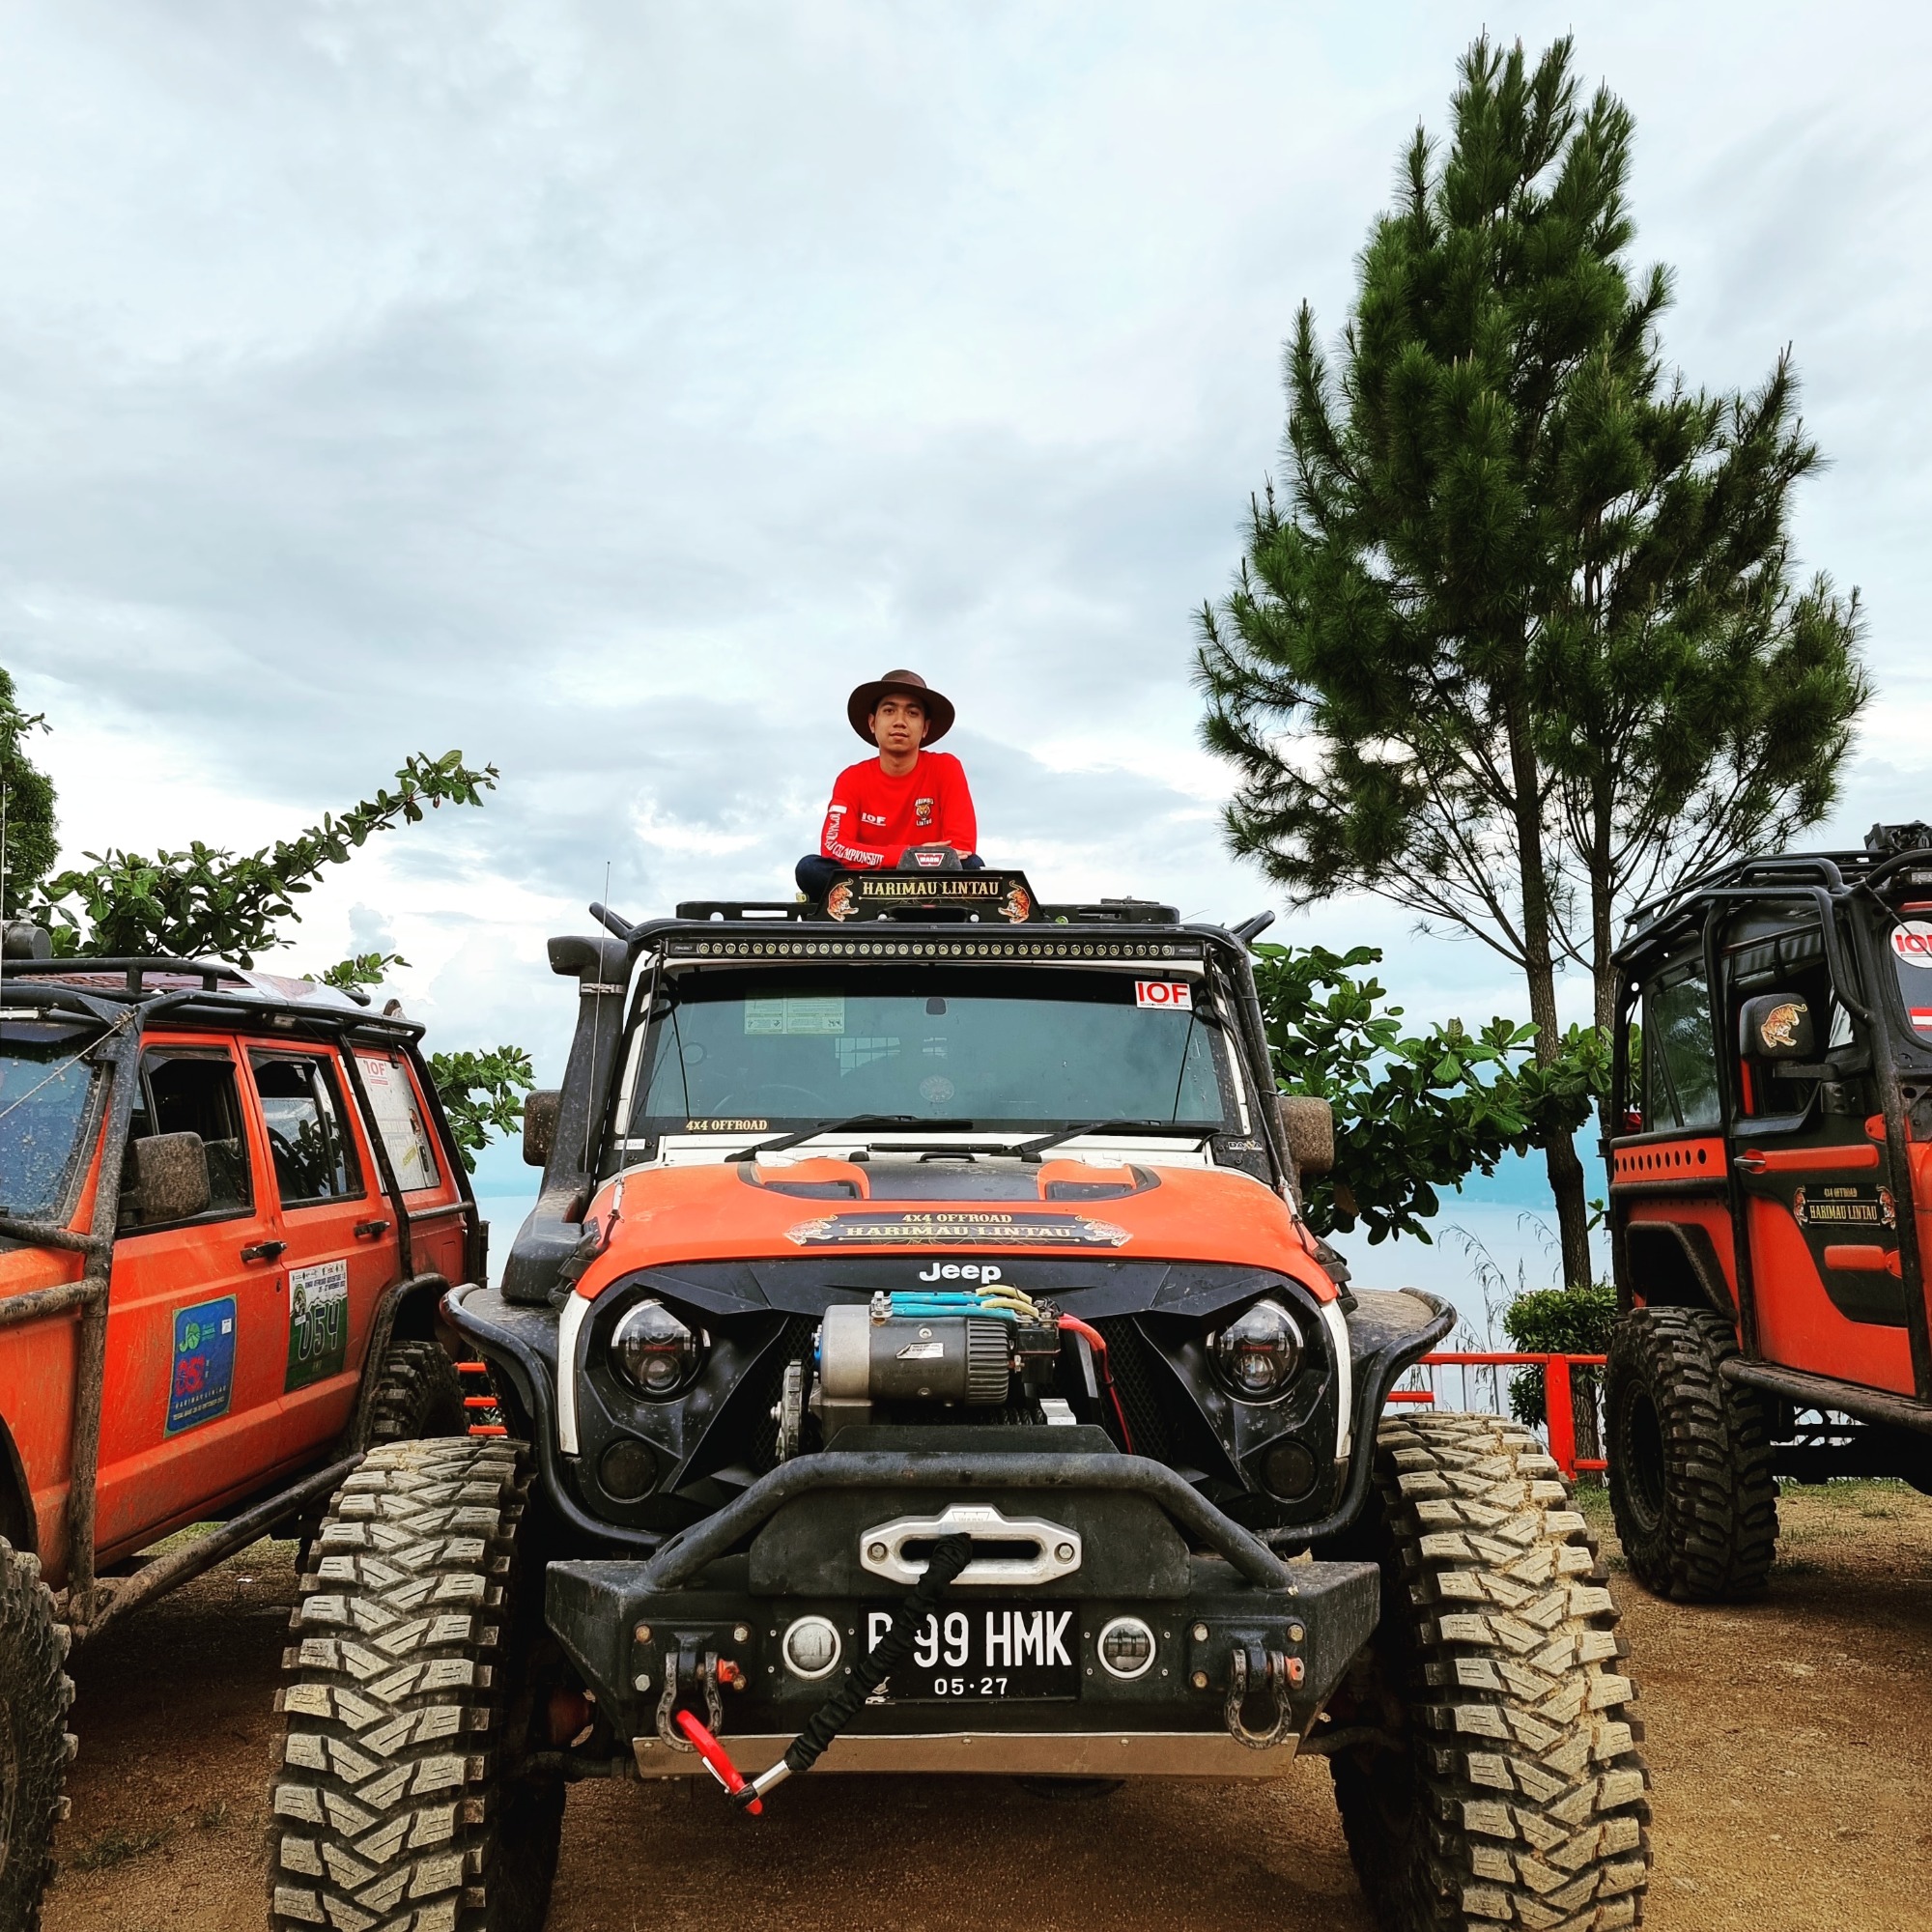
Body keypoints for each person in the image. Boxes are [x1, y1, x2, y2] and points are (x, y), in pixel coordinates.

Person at [796, 669, 982, 899]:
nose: (900, 722)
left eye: (912, 713)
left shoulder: (946, 767)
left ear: (925, 727)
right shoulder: (851, 778)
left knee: (973, 867)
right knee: (810, 869)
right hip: (871, 885)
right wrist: (908, 856)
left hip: (931, 884)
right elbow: (834, 847)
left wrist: (907, 862)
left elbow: (961, 849)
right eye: (889, 710)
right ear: (873, 722)